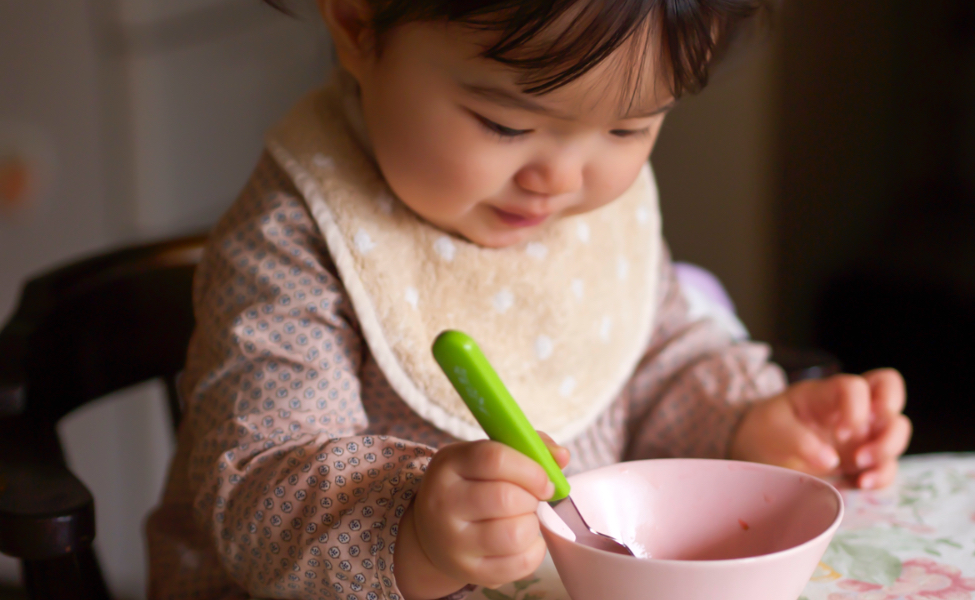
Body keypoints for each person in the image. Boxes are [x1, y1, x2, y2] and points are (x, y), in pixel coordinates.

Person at [146, 1, 912, 599]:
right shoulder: (294, 237)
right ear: (356, 25)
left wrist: (753, 425)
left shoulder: (584, 209)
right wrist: (411, 530)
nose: (562, 177)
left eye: (627, 128)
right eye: (506, 122)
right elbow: (255, 486)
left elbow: (661, 361)